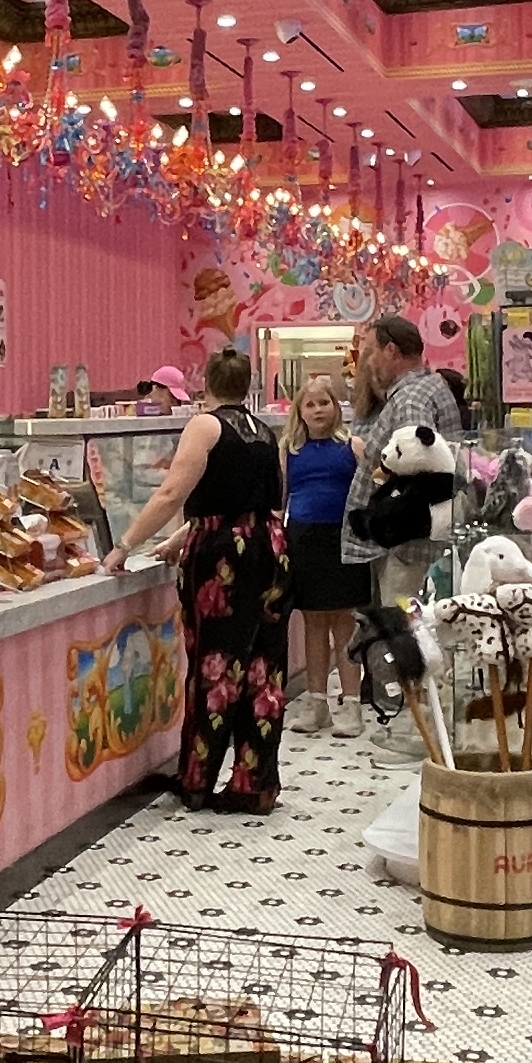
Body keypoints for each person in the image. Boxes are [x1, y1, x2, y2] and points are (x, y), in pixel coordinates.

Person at [115, 345, 289, 810]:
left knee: (215, 665)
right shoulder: (264, 431)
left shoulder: (205, 425)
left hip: (224, 558)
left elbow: (172, 492)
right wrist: (183, 535)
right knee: (264, 669)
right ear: (248, 385)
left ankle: (196, 780)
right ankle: (256, 783)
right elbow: (256, 501)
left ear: (206, 383)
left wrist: (124, 544)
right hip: (270, 548)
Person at [343, 311, 466, 747]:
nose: (368, 361)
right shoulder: (425, 388)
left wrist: (386, 513)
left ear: (391, 350)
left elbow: (415, 469)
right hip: (415, 537)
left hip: (407, 541)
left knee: (405, 629)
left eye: (371, 350)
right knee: (411, 624)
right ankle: (421, 718)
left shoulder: (411, 397)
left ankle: (417, 725)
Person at [281, 373, 366, 735]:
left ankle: (352, 705)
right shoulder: (289, 450)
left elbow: (370, 494)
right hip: (303, 540)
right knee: (313, 623)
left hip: (344, 540)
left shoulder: (353, 446)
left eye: (324, 403)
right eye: (310, 404)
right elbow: (280, 499)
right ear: (299, 411)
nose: (318, 410)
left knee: (345, 622)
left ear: (336, 407)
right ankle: (317, 703)